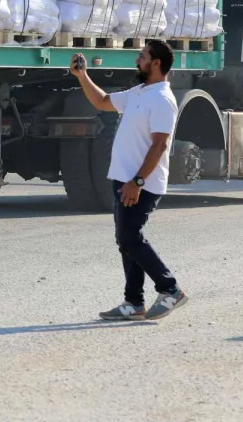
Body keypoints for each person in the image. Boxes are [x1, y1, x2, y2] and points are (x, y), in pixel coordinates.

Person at [70, 41, 188, 322]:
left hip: (141, 183)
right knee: (126, 240)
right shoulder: (140, 92)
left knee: (129, 238)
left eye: (142, 56)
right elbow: (102, 101)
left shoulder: (162, 99)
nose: (137, 60)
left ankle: (170, 289)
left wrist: (138, 181)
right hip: (124, 179)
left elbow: (160, 145)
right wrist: (82, 76)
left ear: (156, 63)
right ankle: (134, 303)